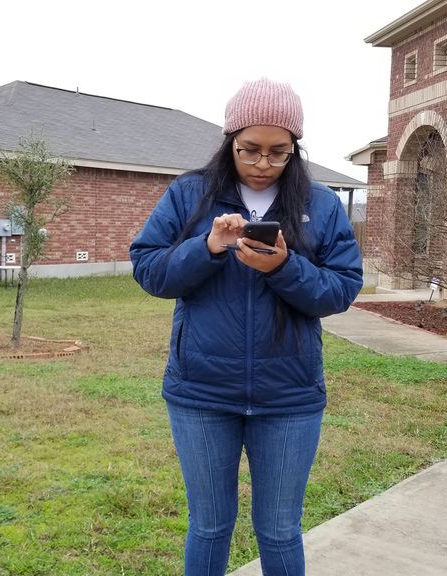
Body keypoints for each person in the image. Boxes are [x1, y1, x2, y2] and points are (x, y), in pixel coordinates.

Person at [129, 78, 363, 575]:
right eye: (249, 149)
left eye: (279, 152)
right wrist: (208, 248)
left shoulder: (319, 204)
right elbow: (149, 269)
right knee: (209, 526)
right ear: (229, 140)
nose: (263, 164)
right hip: (201, 393)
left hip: (290, 397)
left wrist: (283, 268)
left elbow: (342, 288)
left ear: (295, 149)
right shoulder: (190, 194)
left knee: (280, 529)